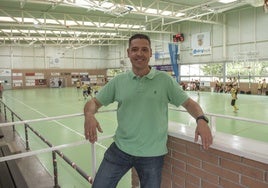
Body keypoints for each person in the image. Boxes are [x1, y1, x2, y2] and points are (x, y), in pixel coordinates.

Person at [83, 33, 213, 188]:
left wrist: (201, 120)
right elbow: (94, 102)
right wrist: (89, 115)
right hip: (120, 150)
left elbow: (189, 104)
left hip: (152, 155)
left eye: (144, 50)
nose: (139, 54)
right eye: (135, 49)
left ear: (151, 53)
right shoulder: (118, 81)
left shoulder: (164, 80)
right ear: (128, 53)